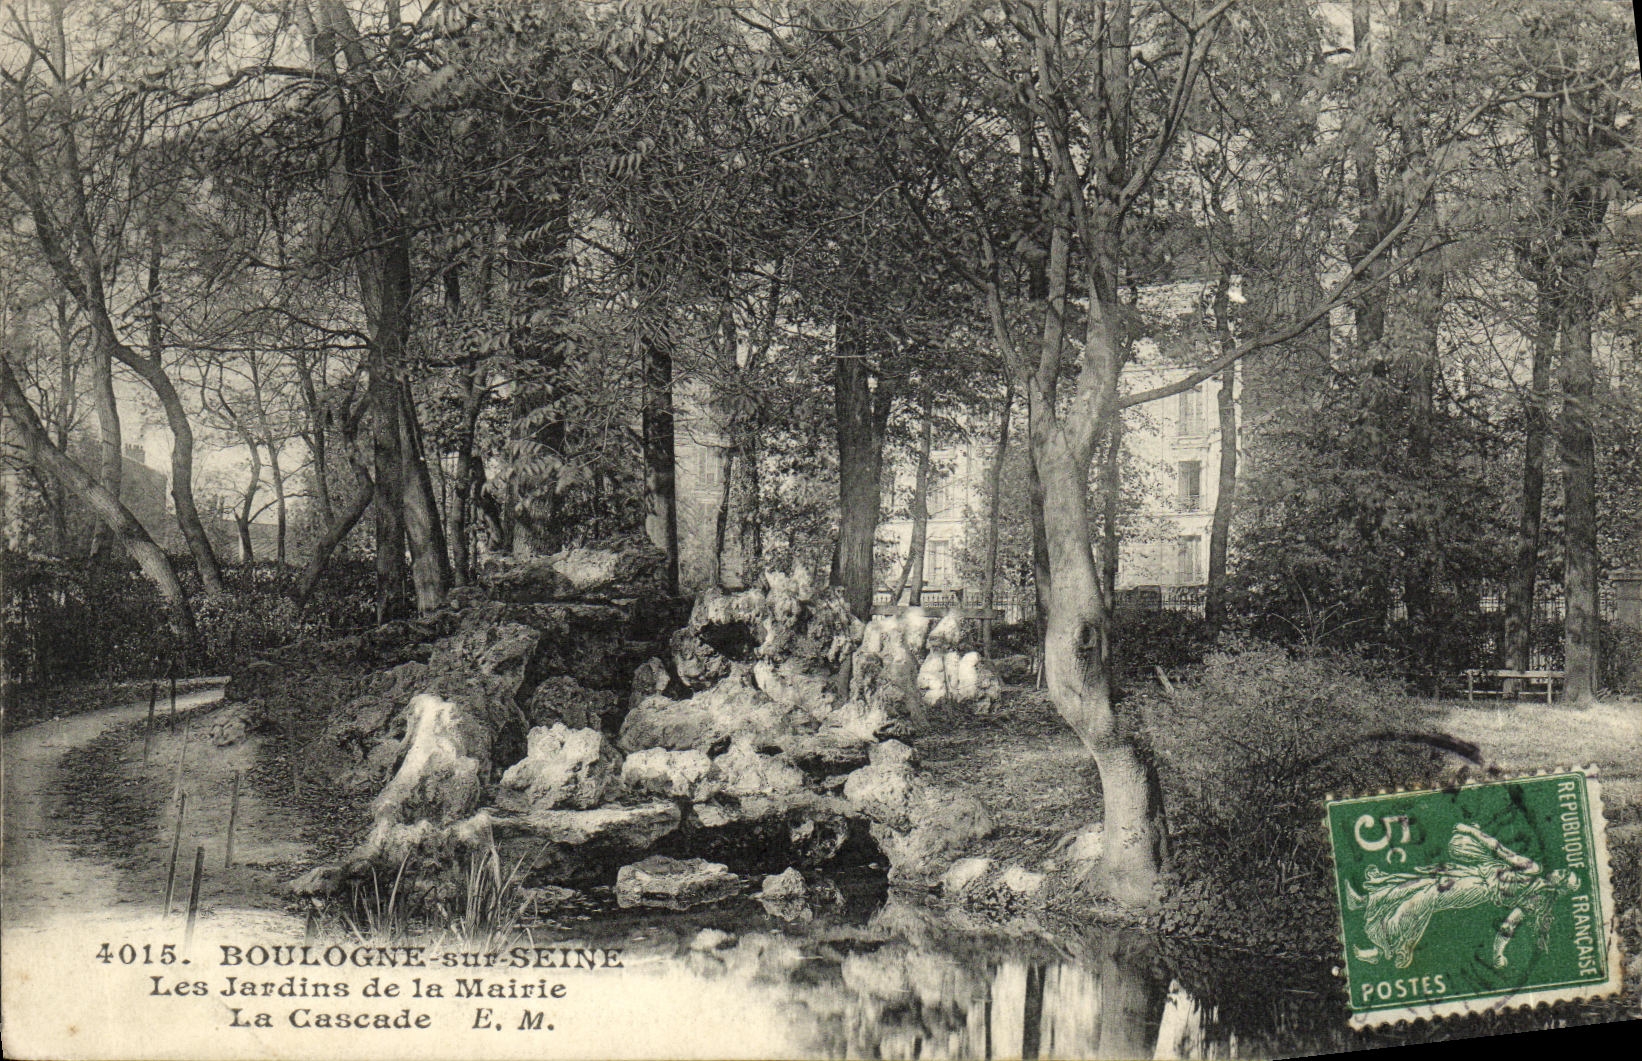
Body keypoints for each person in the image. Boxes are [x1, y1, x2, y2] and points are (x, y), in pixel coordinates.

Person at [1346, 821, 1579, 969]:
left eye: (1564, 875)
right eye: (1565, 870)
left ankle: (1379, 948)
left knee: (1426, 897)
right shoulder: (1533, 870)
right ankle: (1367, 901)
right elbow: (1500, 852)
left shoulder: (1535, 896)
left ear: (1560, 887)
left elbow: (1508, 925)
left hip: (1479, 888)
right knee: (1423, 882)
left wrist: (1498, 955)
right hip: (1477, 872)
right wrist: (1473, 833)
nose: (1559, 871)